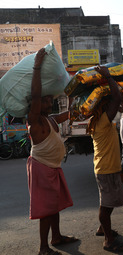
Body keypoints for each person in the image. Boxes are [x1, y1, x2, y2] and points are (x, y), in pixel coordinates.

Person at [26, 48, 78, 255]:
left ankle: (56, 237)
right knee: (46, 209)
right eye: (47, 100)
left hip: (53, 168)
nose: (50, 100)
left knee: (54, 205)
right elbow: (36, 94)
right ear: (36, 104)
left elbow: (70, 114)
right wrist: (37, 66)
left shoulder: (50, 119)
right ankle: (43, 248)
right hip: (41, 168)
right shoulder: (35, 120)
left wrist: (74, 95)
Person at [86, 65, 123, 252]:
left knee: (108, 203)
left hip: (106, 167)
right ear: (104, 107)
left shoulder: (98, 120)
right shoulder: (103, 120)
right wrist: (109, 76)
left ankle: (103, 229)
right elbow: (118, 96)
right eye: (109, 104)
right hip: (106, 169)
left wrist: (114, 103)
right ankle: (109, 240)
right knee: (106, 205)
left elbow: (116, 101)